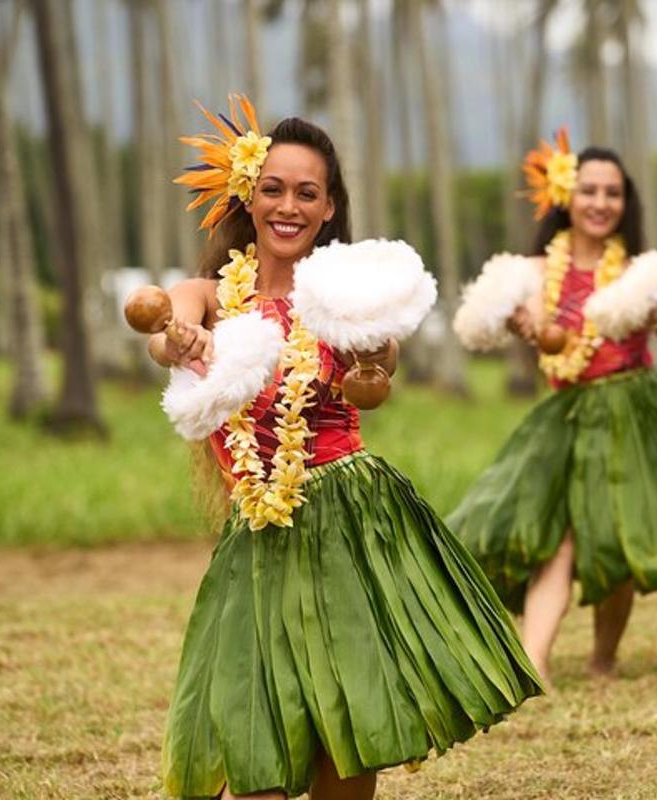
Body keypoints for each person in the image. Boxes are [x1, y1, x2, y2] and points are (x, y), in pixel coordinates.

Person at [150, 97, 541, 800]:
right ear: (248, 195)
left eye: (308, 193)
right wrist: (181, 337)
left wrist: (370, 361)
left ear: (330, 208)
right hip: (258, 534)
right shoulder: (208, 295)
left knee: (351, 731)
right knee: (251, 734)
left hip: (350, 520)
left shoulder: (344, 301)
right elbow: (162, 329)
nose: (288, 206)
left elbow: (376, 378)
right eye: (273, 189)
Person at [448, 130, 657, 688]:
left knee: (617, 541)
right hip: (565, 418)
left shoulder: (644, 271)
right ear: (567, 195)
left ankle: (604, 658)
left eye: (612, 193)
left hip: (634, 414)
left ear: (624, 202)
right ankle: (534, 662)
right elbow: (550, 346)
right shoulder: (533, 271)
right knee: (555, 542)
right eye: (589, 191)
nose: (600, 203)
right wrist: (529, 330)